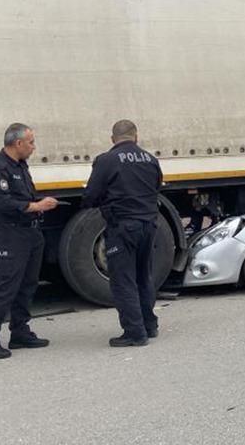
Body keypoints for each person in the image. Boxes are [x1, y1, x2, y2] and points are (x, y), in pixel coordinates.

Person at [0, 123, 59, 359]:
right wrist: (36, 206)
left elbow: (24, 196)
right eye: (31, 142)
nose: (34, 147)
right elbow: (3, 203)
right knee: (6, 287)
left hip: (29, 233)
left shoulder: (20, 165)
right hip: (8, 235)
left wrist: (39, 204)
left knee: (27, 285)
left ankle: (20, 332)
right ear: (18, 143)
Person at [82, 120, 164, 347]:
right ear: (136, 137)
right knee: (143, 276)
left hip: (123, 227)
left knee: (122, 280)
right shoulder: (150, 159)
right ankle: (149, 325)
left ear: (113, 139)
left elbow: (92, 195)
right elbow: (156, 187)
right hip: (149, 224)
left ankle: (134, 332)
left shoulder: (106, 160)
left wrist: (92, 202)